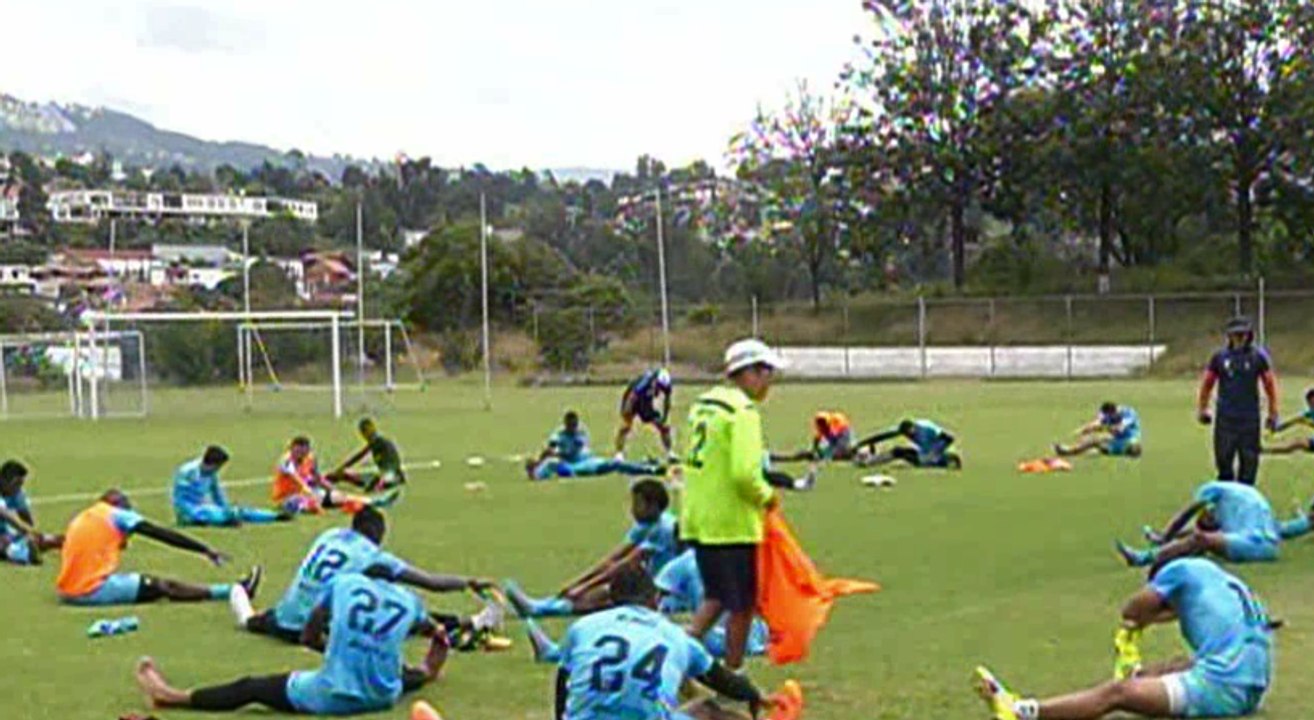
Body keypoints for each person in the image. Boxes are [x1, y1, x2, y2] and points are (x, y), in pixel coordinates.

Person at [975, 557, 1273, 720]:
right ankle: (1141, 679)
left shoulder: (1179, 570)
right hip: (1252, 688)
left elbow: (1132, 609)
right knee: (1180, 665)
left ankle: (1022, 712)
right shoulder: (1227, 585)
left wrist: (1138, 624)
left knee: (1118, 694)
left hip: (1220, 689)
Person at [136, 572, 447, 716]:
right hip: (384, 696)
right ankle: (427, 670)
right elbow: (433, 629)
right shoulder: (410, 600)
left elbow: (311, 629)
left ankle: (172, 697)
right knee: (389, 669)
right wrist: (438, 641)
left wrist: (319, 644)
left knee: (253, 687)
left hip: (333, 695)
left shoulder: (343, 583)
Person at [528, 564, 787, 720]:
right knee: (708, 710)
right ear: (654, 601)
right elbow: (724, 681)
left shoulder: (584, 626)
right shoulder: (674, 636)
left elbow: (564, 680)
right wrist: (756, 695)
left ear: (612, 600)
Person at [229, 505, 497, 643]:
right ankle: (470, 623)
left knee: (253, 621)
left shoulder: (330, 535)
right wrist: (469, 582)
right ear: (379, 534)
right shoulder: (372, 555)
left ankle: (238, 595)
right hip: (319, 629)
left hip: (285, 619)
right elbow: (430, 582)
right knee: (393, 612)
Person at [681, 338, 782, 670]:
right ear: (750, 372)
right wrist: (767, 496)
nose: (769, 382)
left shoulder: (704, 406)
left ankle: (675, 655)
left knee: (716, 597)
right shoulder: (742, 413)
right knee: (741, 604)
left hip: (699, 518)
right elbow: (743, 474)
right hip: (731, 522)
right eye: (766, 372)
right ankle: (733, 673)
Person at [505, 478, 680, 617]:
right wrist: (577, 583)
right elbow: (613, 559)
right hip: (651, 583)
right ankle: (543, 605)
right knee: (600, 592)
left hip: (670, 594)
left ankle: (541, 609)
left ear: (653, 506)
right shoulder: (645, 525)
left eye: (637, 504)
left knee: (600, 596)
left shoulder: (664, 529)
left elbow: (627, 563)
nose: (632, 510)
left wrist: (584, 587)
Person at [57, 488, 261, 606]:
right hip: (88, 591)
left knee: (138, 581)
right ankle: (234, 591)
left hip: (68, 588)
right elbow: (161, 534)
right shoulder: (118, 515)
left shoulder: (87, 515)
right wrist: (204, 549)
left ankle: (234, 590)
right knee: (163, 586)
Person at [1115, 480, 1279, 570]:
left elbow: (1188, 512)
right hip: (1269, 548)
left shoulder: (1212, 489)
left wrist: (1166, 536)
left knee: (1200, 539)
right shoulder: (1241, 503)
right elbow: (1282, 529)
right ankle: (1161, 546)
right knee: (1203, 538)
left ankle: (1144, 557)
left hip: (1251, 545)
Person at [1196, 316, 1279, 485]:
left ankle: (1246, 502)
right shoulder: (1219, 358)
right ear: (1230, 336)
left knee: (1249, 465)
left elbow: (1269, 385)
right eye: (1236, 334)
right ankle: (1228, 501)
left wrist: (1273, 412)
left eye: (1243, 334)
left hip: (1249, 419)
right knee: (1224, 462)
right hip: (1226, 418)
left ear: (1249, 336)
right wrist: (1203, 409)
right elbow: (1207, 384)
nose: (1240, 338)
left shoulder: (1258, 357)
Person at [655, 548, 769, 660]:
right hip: (753, 641)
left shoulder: (686, 562)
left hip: (712, 642)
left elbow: (657, 599)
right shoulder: (753, 556)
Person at [271, 436, 399, 515]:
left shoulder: (310, 459)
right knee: (308, 503)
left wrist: (332, 490)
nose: (303, 455)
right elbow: (301, 483)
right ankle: (304, 506)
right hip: (287, 497)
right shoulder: (286, 462)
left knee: (339, 497)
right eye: (300, 451)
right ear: (293, 449)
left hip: (309, 494)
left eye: (305, 451)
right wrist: (313, 496)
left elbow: (318, 478)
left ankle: (376, 502)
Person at [174, 445, 290, 527]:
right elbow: (180, 501)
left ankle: (273, 516)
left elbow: (217, 494)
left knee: (238, 512)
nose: (218, 470)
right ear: (211, 464)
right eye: (218, 466)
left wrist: (227, 510)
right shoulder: (187, 473)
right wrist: (195, 515)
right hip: (191, 513)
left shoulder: (211, 474)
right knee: (211, 514)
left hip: (202, 509)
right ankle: (223, 520)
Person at [526, 411, 660, 481]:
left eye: (574, 425)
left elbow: (572, 451)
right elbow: (551, 447)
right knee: (553, 464)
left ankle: (646, 466)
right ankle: (648, 469)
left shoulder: (580, 433)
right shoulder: (559, 434)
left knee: (615, 464)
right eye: (570, 425)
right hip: (578, 465)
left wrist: (556, 453)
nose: (572, 428)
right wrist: (541, 458)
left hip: (586, 461)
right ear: (565, 424)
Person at [0, 460, 63, 566]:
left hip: (5, 532)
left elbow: (28, 520)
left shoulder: (17, 493)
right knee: (3, 544)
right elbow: (6, 515)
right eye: (17, 484)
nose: (19, 488)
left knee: (38, 539)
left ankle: (65, 542)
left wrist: (33, 535)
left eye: (21, 484)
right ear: (3, 480)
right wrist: (26, 531)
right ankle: (25, 554)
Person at [327, 418, 407, 492]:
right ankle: (330, 479)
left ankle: (328, 479)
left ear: (366, 433)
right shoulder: (377, 442)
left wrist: (342, 467)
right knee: (352, 477)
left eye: (363, 433)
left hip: (388, 475)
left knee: (356, 478)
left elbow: (359, 456)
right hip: (390, 474)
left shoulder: (379, 442)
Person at [615, 367, 675, 461]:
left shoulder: (667, 385)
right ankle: (619, 454)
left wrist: (664, 418)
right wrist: (627, 412)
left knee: (664, 427)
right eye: (659, 387)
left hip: (646, 402)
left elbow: (667, 401)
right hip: (632, 400)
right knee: (625, 427)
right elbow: (633, 396)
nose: (660, 390)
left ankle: (670, 453)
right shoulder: (646, 380)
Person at [855, 418, 963, 470]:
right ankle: (869, 463)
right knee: (898, 451)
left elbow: (948, 438)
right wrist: (862, 443)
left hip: (941, 441)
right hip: (930, 445)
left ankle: (948, 459)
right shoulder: (903, 429)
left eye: (910, 434)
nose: (908, 436)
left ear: (913, 429)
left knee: (924, 462)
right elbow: (883, 436)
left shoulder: (923, 431)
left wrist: (936, 452)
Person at [1055, 402, 1143, 458]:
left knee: (1095, 442)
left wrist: (1099, 428)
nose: (1105, 418)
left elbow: (1119, 428)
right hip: (1117, 438)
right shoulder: (1111, 415)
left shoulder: (1128, 413)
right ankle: (1069, 451)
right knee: (1091, 441)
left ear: (1113, 412)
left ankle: (1068, 452)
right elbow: (1097, 423)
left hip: (1129, 439)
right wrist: (1082, 430)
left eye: (1107, 415)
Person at [771, 411, 855, 464]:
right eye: (820, 424)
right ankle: (777, 456)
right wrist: (815, 451)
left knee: (839, 453)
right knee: (808, 454)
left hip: (843, 438)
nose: (822, 425)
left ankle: (853, 455)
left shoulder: (837, 420)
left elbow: (838, 440)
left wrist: (826, 454)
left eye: (823, 423)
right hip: (834, 441)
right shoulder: (821, 426)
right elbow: (817, 440)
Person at [1262, 387, 1314, 455]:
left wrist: (1307, 422)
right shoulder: (1308, 414)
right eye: (1310, 403)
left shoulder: (1307, 417)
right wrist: (1276, 429)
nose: (1311, 406)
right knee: (1297, 443)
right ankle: (1264, 451)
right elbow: (1292, 422)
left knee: (1299, 443)